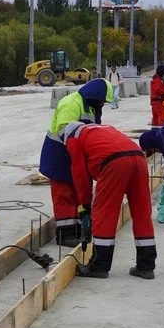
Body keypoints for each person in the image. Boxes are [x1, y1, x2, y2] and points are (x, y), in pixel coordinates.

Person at [62, 119, 156, 279]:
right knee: (142, 212)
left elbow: (80, 175)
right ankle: (146, 267)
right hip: (139, 159)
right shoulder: (103, 129)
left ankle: (99, 267)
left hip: (114, 163)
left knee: (104, 213)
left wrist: (85, 204)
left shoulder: (73, 137)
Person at [39, 79, 113, 247]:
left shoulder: (92, 107)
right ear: (94, 96)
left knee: (79, 193)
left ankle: (79, 230)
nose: (102, 104)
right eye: (102, 101)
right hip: (60, 155)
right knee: (64, 194)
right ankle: (65, 234)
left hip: (76, 155)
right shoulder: (71, 103)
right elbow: (64, 130)